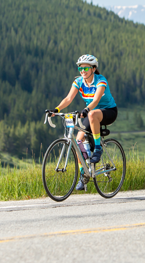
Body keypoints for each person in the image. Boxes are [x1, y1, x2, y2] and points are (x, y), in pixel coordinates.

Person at [52, 54, 117, 191]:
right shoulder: (79, 81)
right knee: (77, 141)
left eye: (86, 68)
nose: (82, 71)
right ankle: (84, 174)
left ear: (93, 69)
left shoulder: (100, 80)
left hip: (108, 111)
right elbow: (69, 98)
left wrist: (86, 110)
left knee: (92, 114)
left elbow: (96, 100)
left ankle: (98, 148)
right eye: (80, 68)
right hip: (91, 112)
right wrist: (56, 109)